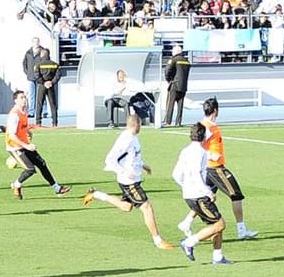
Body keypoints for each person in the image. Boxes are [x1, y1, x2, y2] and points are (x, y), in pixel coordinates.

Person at [81, 113, 173, 249]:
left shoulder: (134, 138)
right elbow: (110, 159)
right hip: (129, 182)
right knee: (147, 207)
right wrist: (124, 172)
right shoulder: (125, 140)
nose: (141, 127)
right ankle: (158, 241)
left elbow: (133, 156)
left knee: (126, 207)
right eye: (140, 125)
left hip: (134, 179)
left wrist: (143, 165)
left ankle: (95, 194)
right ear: (136, 125)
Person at [179, 99, 257, 241]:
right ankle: (241, 230)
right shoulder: (207, 128)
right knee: (236, 195)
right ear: (215, 110)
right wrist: (211, 155)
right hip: (214, 168)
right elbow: (199, 145)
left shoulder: (207, 125)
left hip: (209, 168)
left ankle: (186, 222)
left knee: (206, 196)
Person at [174, 123, 230, 265]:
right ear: (204, 136)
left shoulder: (185, 151)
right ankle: (189, 242)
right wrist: (207, 191)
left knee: (215, 222)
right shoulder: (201, 153)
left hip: (188, 195)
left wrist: (185, 186)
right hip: (199, 195)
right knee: (220, 224)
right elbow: (197, 174)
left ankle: (218, 256)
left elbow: (176, 174)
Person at [6, 90, 66, 198]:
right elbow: (11, 135)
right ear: (15, 101)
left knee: (42, 164)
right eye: (21, 98)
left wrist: (27, 132)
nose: (24, 99)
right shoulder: (14, 115)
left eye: (25, 97)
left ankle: (57, 189)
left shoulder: (24, 111)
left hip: (24, 144)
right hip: (15, 148)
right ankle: (16, 185)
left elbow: (22, 126)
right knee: (30, 169)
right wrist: (27, 146)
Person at [162, 44, 191, 127]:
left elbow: (167, 70)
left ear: (175, 52)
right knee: (180, 105)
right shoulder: (186, 61)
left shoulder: (173, 60)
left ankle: (168, 121)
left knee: (170, 104)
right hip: (183, 85)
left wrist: (169, 80)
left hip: (174, 84)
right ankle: (178, 122)